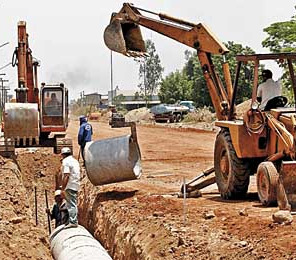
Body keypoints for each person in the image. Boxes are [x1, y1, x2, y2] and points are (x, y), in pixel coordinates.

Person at [60, 147, 80, 228]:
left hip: (70, 185)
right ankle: (73, 220)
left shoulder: (66, 162)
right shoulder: (75, 161)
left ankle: (73, 221)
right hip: (75, 184)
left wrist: (63, 188)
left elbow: (66, 175)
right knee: (73, 203)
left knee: (71, 204)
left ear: (63, 155)